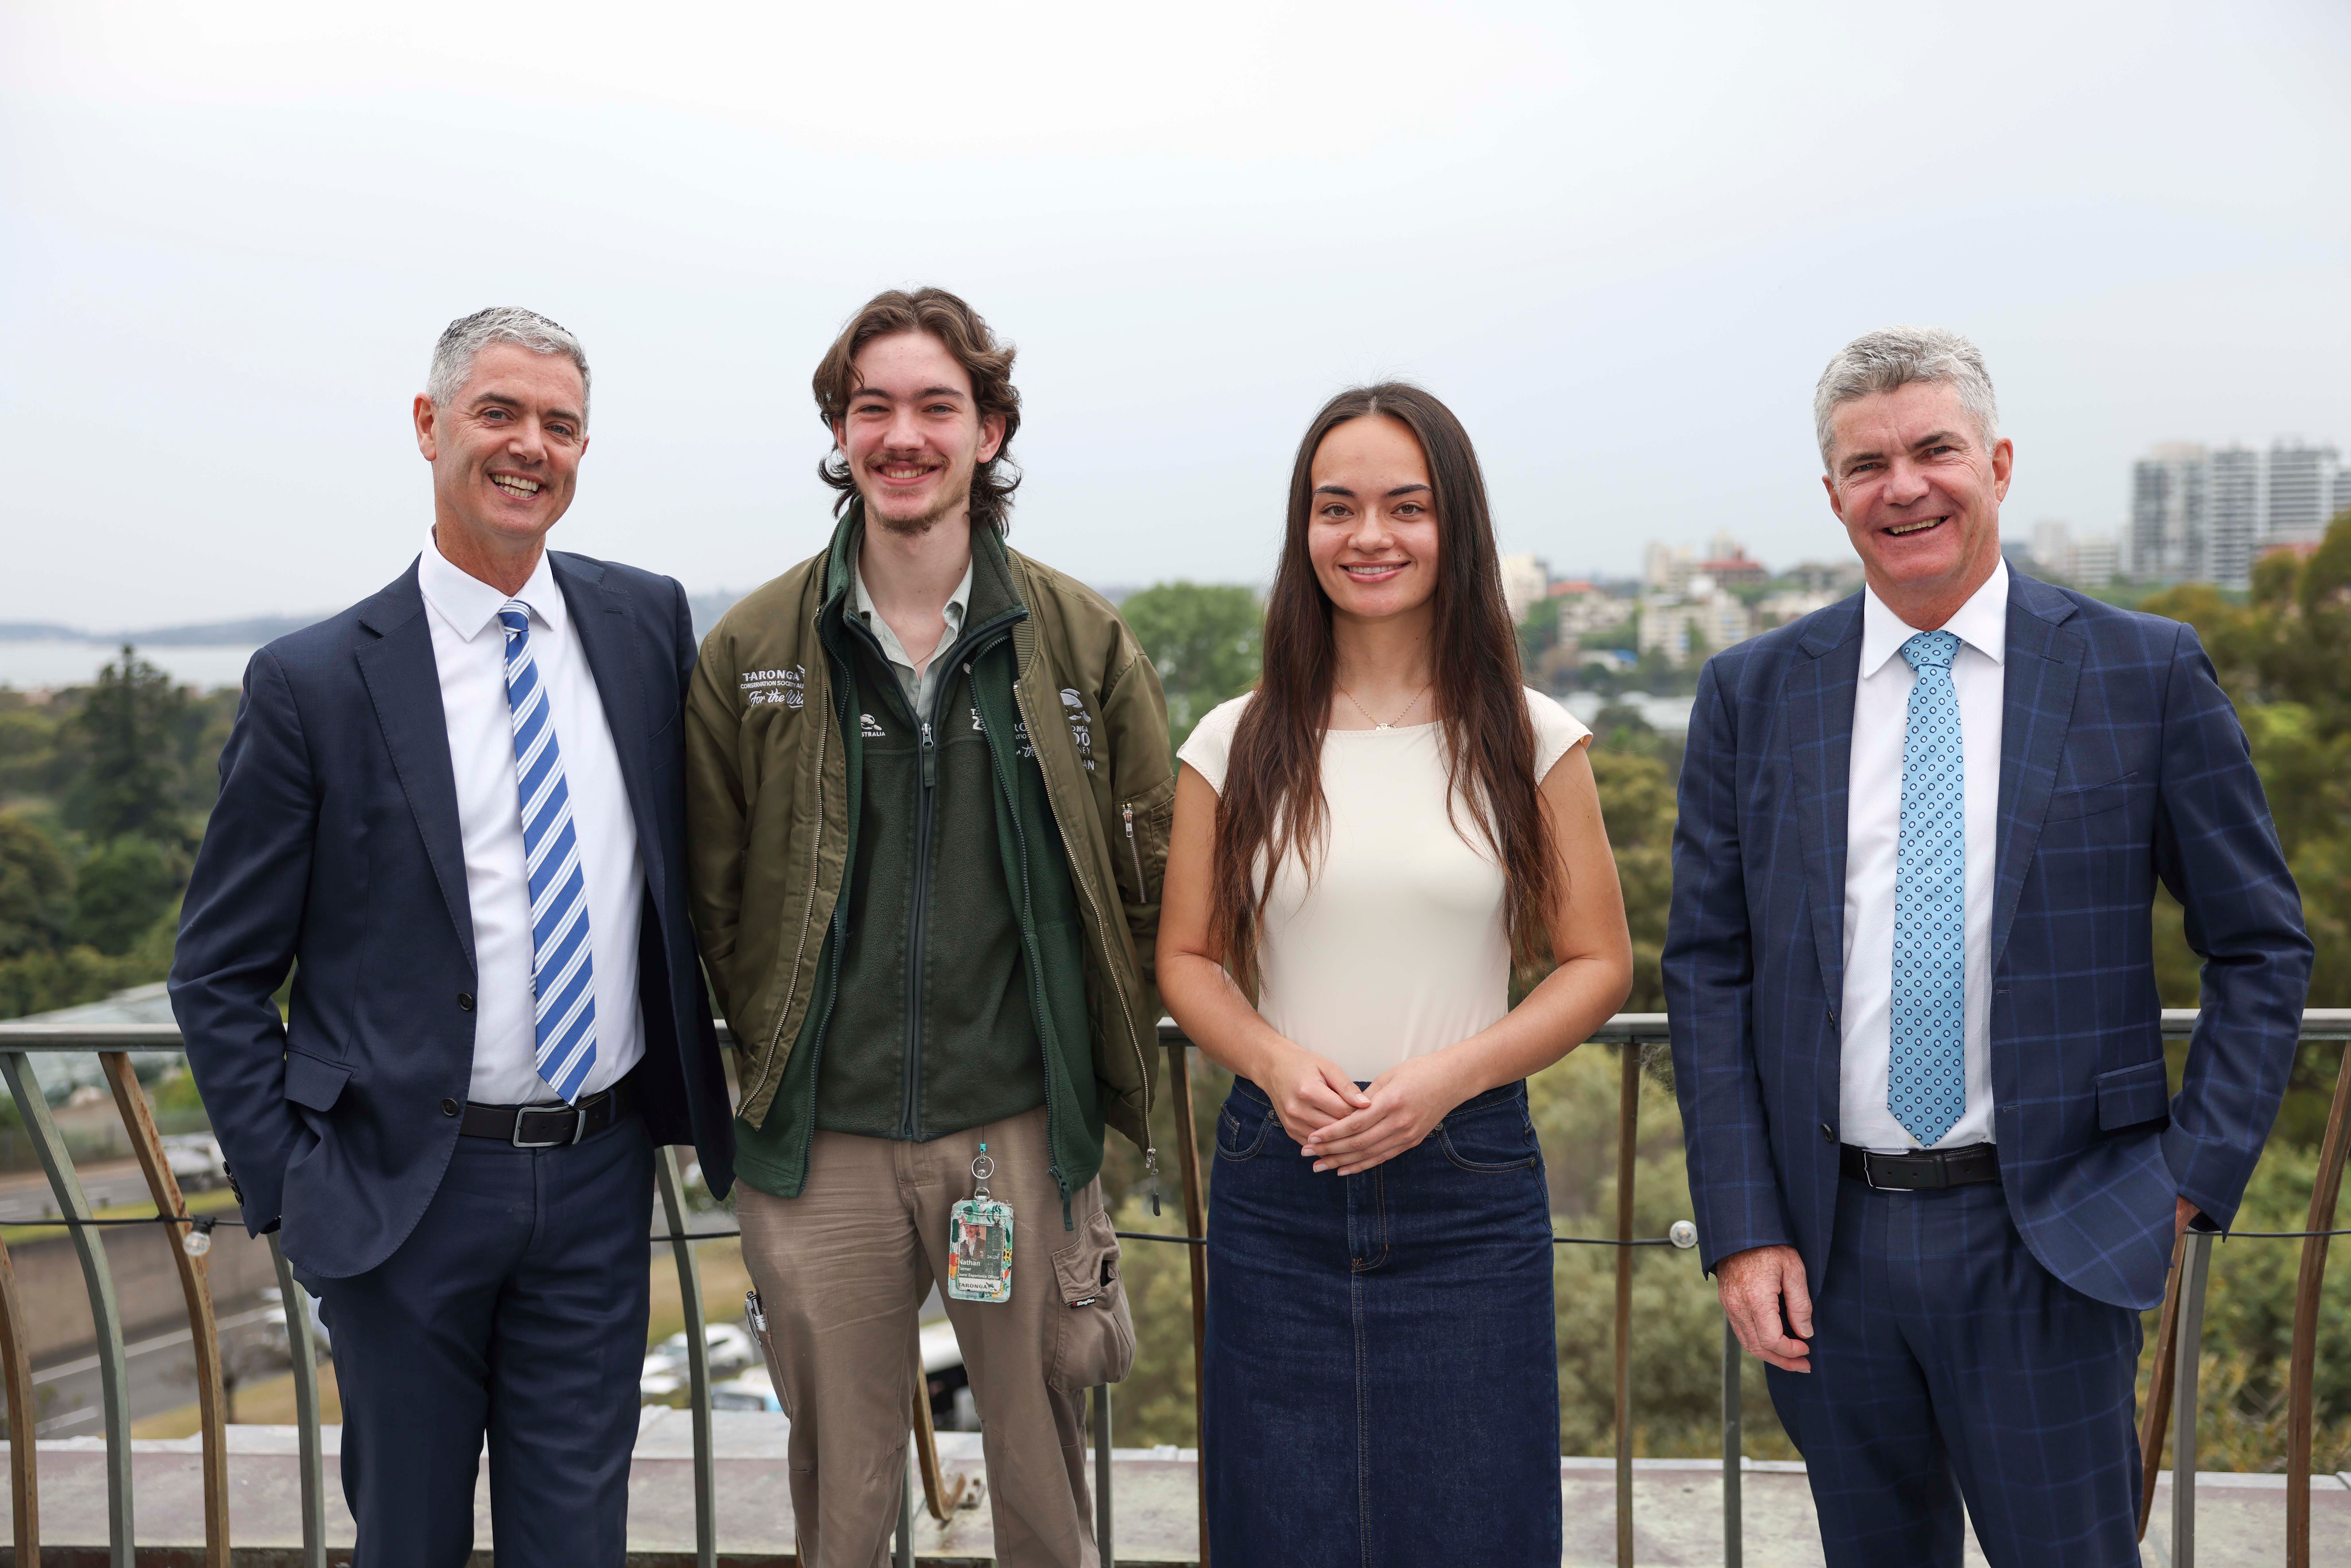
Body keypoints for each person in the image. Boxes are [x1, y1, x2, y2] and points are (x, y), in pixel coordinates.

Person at [1665, 327, 2312, 1566]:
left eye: (1933, 450)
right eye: (1866, 465)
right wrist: (1743, 1226)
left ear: (1998, 463)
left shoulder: (2141, 671)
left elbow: (2258, 942)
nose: (1901, 486)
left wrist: (2183, 1179)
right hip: (1826, 1252)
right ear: (1832, 496)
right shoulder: (1751, 691)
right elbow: (1705, 968)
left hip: (2053, 1239)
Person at [170, 307, 736, 1566]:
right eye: (499, 413)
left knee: (574, 1540)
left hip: (598, 1177)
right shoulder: (313, 682)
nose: (529, 445)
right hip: (397, 1197)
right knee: (409, 1539)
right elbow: (216, 971)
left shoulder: (646, 626)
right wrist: (297, 1189)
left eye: (560, 424)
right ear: (429, 427)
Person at [683, 287, 1171, 1568]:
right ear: (841, 434)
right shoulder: (752, 647)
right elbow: (713, 895)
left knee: (1038, 1482)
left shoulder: (1077, 640)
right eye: (872, 408)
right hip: (821, 1140)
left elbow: (1147, 871)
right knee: (839, 1507)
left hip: (1013, 1128)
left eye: (935, 407)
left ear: (990, 432)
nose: (903, 435)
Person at [1157, 383, 1634, 1567]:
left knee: (1478, 1525)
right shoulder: (1233, 738)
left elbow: (1597, 963)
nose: (1368, 536)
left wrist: (1445, 1081)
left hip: (1465, 1183)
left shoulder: (1530, 738)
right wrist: (1272, 1062)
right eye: (1337, 507)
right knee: (1277, 1527)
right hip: (1280, 1175)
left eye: (1403, 507)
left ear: (1453, 528)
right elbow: (1184, 960)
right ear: (1302, 530)